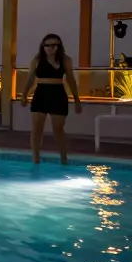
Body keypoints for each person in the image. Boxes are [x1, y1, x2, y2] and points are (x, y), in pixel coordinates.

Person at [21, 34, 82, 165]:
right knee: (37, 129)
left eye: (53, 45)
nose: (50, 48)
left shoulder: (65, 60)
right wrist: (24, 95)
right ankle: (35, 159)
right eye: (47, 45)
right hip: (40, 94)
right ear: (43, 47)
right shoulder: (37, 60)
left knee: (58, 129)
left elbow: (71, 80)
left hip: (58, 95)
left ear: (59, 46)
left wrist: (77, 100)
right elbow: (30, 79)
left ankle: (64, 158)